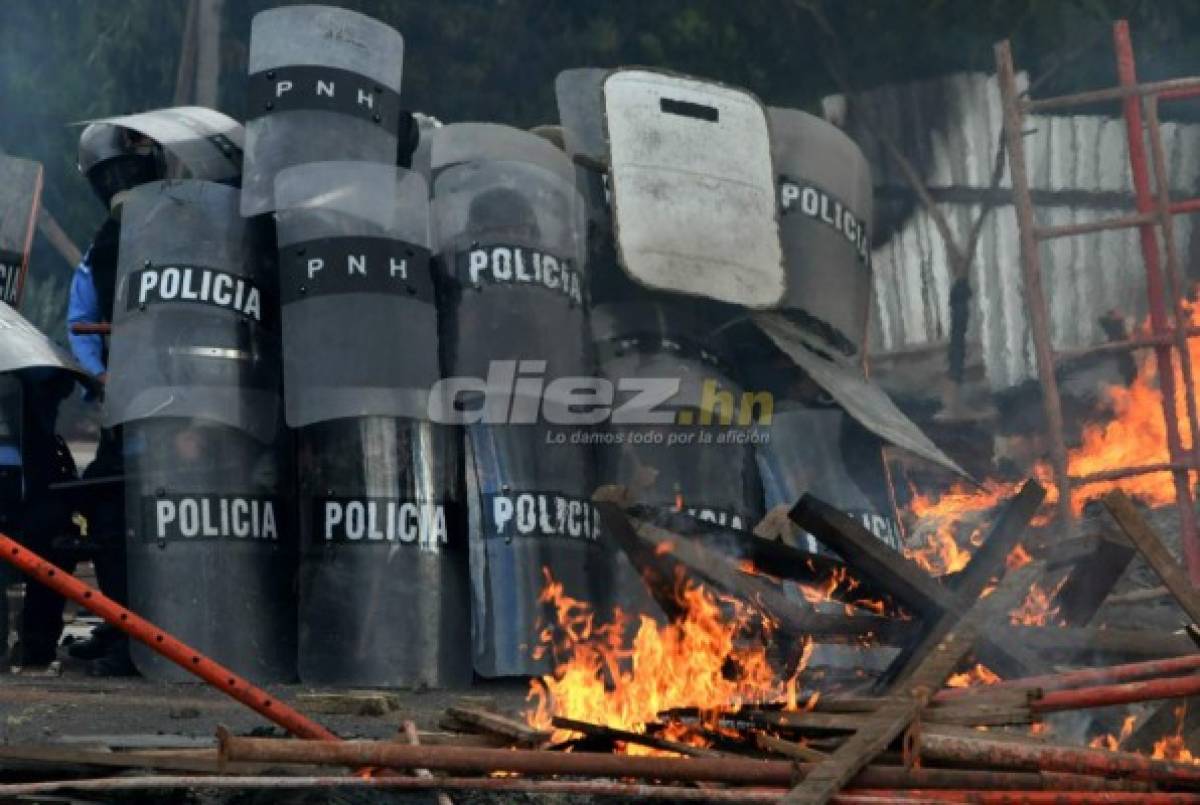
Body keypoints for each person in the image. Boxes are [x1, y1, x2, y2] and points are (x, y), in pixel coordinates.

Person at [62, 122, 164, 677]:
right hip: (131, 407)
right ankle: (125, 626)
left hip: (188, 402)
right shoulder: (104, 243)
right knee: (107, 511)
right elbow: (81, 326)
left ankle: (140, 635)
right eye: (111, 174)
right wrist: (101, 383)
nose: (122, 180)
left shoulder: (186, 224)